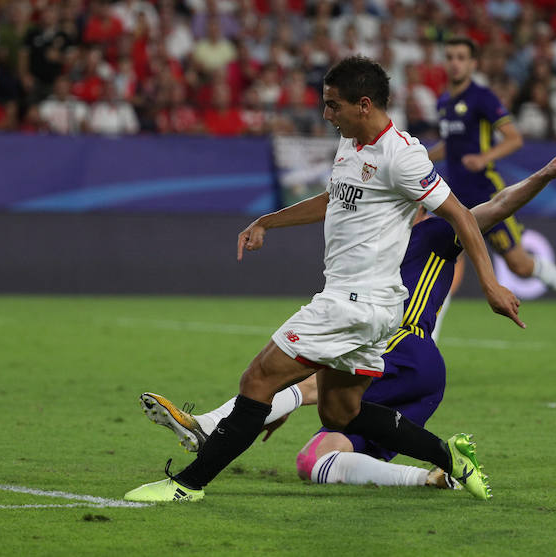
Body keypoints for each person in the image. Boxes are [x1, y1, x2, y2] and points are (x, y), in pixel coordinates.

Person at [123, 56, 523, 503]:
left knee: (257, 381)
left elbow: (463, 218)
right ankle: (451, 459)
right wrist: (268, 221)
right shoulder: (351, 142)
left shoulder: (402, 156)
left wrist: (490, 285)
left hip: (354, 302)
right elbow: (335, 199)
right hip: (369, 306)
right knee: (340, 412)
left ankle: (186, 485)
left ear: (364, 104)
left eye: (333, 106)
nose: (326, 114)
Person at [138, 149, 556, 491]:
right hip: (417, 371)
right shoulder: (376, 244)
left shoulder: (435, 230)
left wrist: (544, 175)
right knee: (316, 457)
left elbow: (497, 206)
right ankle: (436, 473)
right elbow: (331, 202)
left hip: (405, 346)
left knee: (303, 379)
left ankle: (211, 426)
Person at [428, 37, 556, 339]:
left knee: (519, 265)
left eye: (461, 57)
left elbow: (513, 138)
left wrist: (484, 158)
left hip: (486, 195)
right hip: (453, 197)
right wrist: (422, 158)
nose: (455, 62)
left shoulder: (482, 98)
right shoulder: (443, 102)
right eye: (450, 56)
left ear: (472, 64)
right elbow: (449, 146)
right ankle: (428, 342)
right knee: (442, 263)